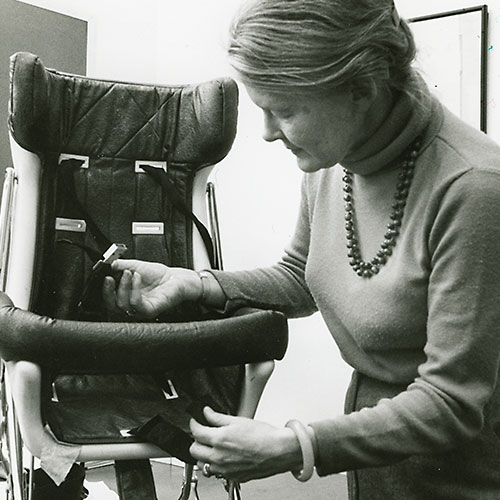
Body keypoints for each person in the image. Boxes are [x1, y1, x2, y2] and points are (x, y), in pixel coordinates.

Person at [103, 0, 500, 498]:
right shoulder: (338, 157)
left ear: (362, 89)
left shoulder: (475, 189)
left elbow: (450, 402)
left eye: (284, 110)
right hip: (371, 444)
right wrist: (196, 284)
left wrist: (296, 446)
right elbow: (301, 275)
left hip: (460, 470)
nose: (267, 133)